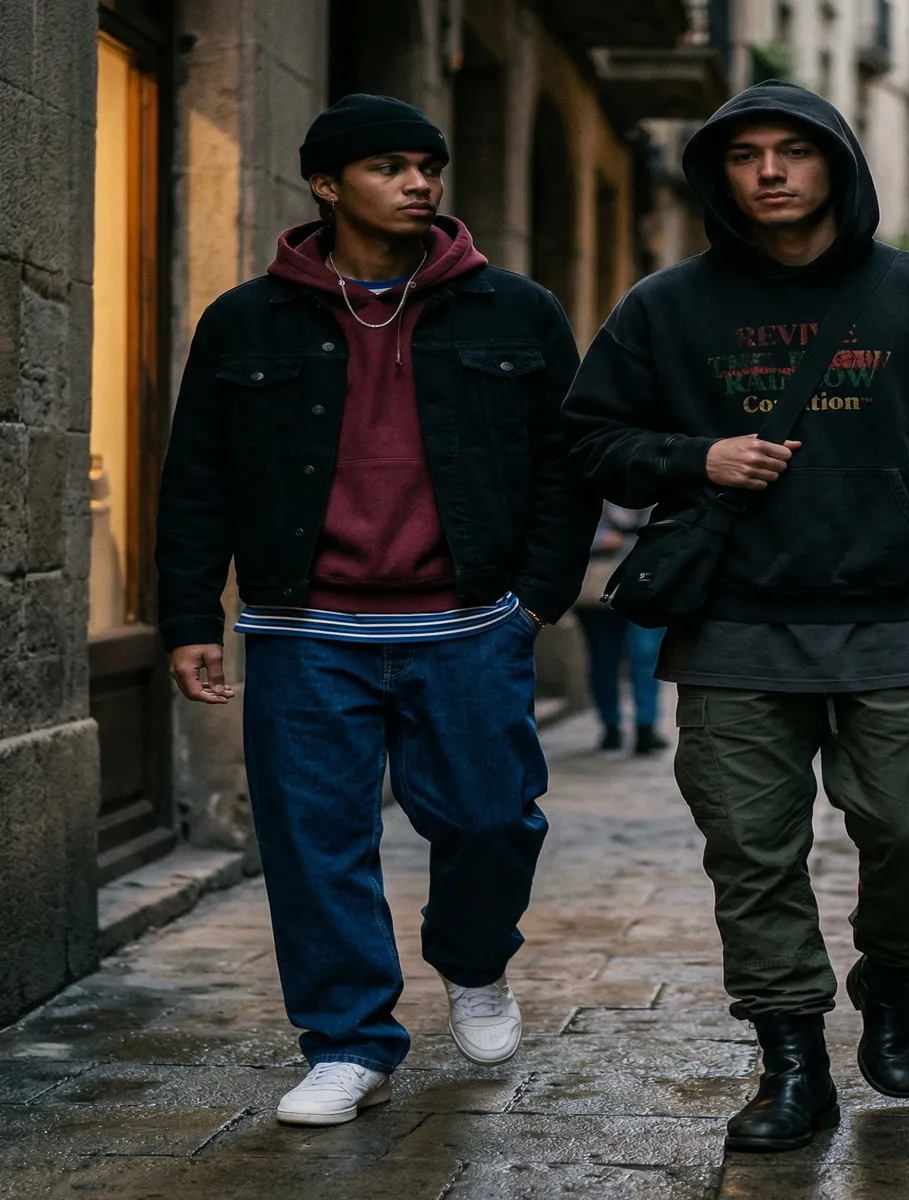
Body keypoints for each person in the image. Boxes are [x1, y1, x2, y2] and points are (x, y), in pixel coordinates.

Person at [563, 81, 909, 1152]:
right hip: (733, 621)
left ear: (835, 164)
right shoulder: (665, 306)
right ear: (718, 176)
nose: (770, 172)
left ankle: (892, 973)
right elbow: (585, 437)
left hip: (897, 615)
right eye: (745, 157)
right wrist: (697, 457)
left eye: (793, 151)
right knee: (750, 851)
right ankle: (790, 1062)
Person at [155, 95, 597, 1127]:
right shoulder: (246, 320)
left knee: (493, 820)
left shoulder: (514, 310)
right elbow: (196, 481)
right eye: (391, 166)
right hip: (307, 631)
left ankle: (474, 958)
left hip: (467, 625)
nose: (419, 183)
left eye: (429, 166)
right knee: (314, 843)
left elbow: (566, 469)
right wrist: (186, 616)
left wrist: (532, 599)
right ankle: (349, 1042)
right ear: (325, 183)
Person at [575, 503, 669, 753]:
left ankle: (645, 726)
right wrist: (600, 539)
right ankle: (610, 726)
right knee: (604, 658)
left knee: (645, 654)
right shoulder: (584, 470)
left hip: (643, 581)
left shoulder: (662, 473)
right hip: (595, 584)